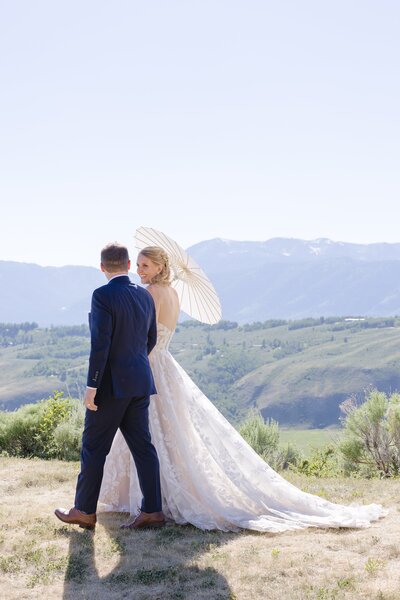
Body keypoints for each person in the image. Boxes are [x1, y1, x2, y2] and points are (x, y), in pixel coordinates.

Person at [99, 246, 387, 533]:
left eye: (145, 265)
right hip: (166, 365)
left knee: (151, 433)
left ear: (160, 267)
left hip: (149, 365)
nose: (139, 270)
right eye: (137, 265)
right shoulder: (174, 294)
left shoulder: (150, 294)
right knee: (168, 434)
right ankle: (155, 495)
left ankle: (151, 499)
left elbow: (142, 336)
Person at [55, 242, 165, 530]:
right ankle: (153, 510)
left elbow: (100, 344)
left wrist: (92, 386)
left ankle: (84, 511)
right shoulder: (144, 296)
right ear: (129, 265)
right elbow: (150, 339)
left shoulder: (102, 295)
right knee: (144, 448)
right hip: (140, 382)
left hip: (111, 387)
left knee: (93, 448)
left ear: (102, 267)